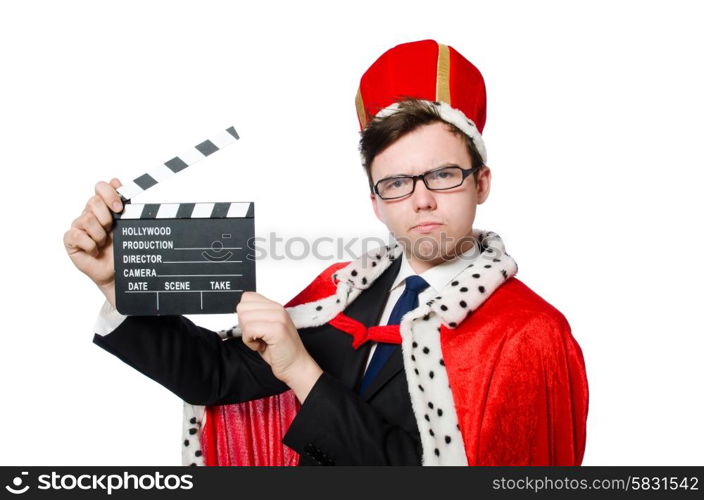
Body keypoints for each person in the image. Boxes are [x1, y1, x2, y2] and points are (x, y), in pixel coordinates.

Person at [63, 39, 588, 466]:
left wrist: (302, 373)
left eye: (443, 174)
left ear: (482, 183)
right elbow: (217, 377)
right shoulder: (340, 293)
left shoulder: (531, 334)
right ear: (376, 202)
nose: (422, 199)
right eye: (397, 182)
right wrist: (117, 279)